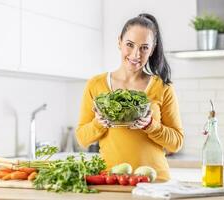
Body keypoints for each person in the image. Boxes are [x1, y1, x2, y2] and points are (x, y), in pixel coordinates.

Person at [76, 13, 184, 182]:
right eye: (130, 45)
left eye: (144, 47)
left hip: (155, 181)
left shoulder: (163, 87)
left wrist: (151, 126)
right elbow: (82, 138)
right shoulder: (95, 85)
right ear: (119, 42)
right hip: (111, 181)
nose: (136, 55)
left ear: (152, 49)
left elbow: (176, 142)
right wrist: (98, 124)